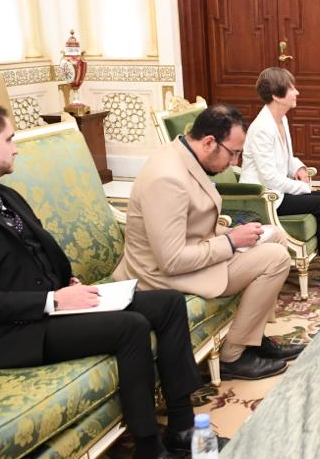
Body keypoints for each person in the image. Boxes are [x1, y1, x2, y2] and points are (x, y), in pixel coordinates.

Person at [0, 100, 199, 459]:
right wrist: (55, 301)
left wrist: (67, 282)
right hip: (6, 334)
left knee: (167, 302)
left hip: (48, 309)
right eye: (9, 139)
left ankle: (182, 427)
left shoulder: (5, 195)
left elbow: (33, 253)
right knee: (130, 327)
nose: (16, 148)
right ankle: (149, 457)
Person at [114, 103, 304, 382]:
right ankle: (234, 357)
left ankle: (254, 338)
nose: (235, 163)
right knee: (276, 258)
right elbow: (171, 261)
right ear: (208, 143)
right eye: (233, 153)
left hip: (197, 252)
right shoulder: (167, 178)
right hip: (160, 276)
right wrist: (230, 243)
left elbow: (193, 224)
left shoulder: (185, 154)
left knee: (274, 234)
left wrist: (230, 234)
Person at [239, 67, 320, 287]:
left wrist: (299, 167)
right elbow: (269, 178)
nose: (297, 92)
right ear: (276, 95)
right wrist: (304, 188)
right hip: (265, 198)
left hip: (278, 191)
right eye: (291, 88)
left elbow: (287, 157)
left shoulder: (281, 120)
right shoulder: (261, 128)